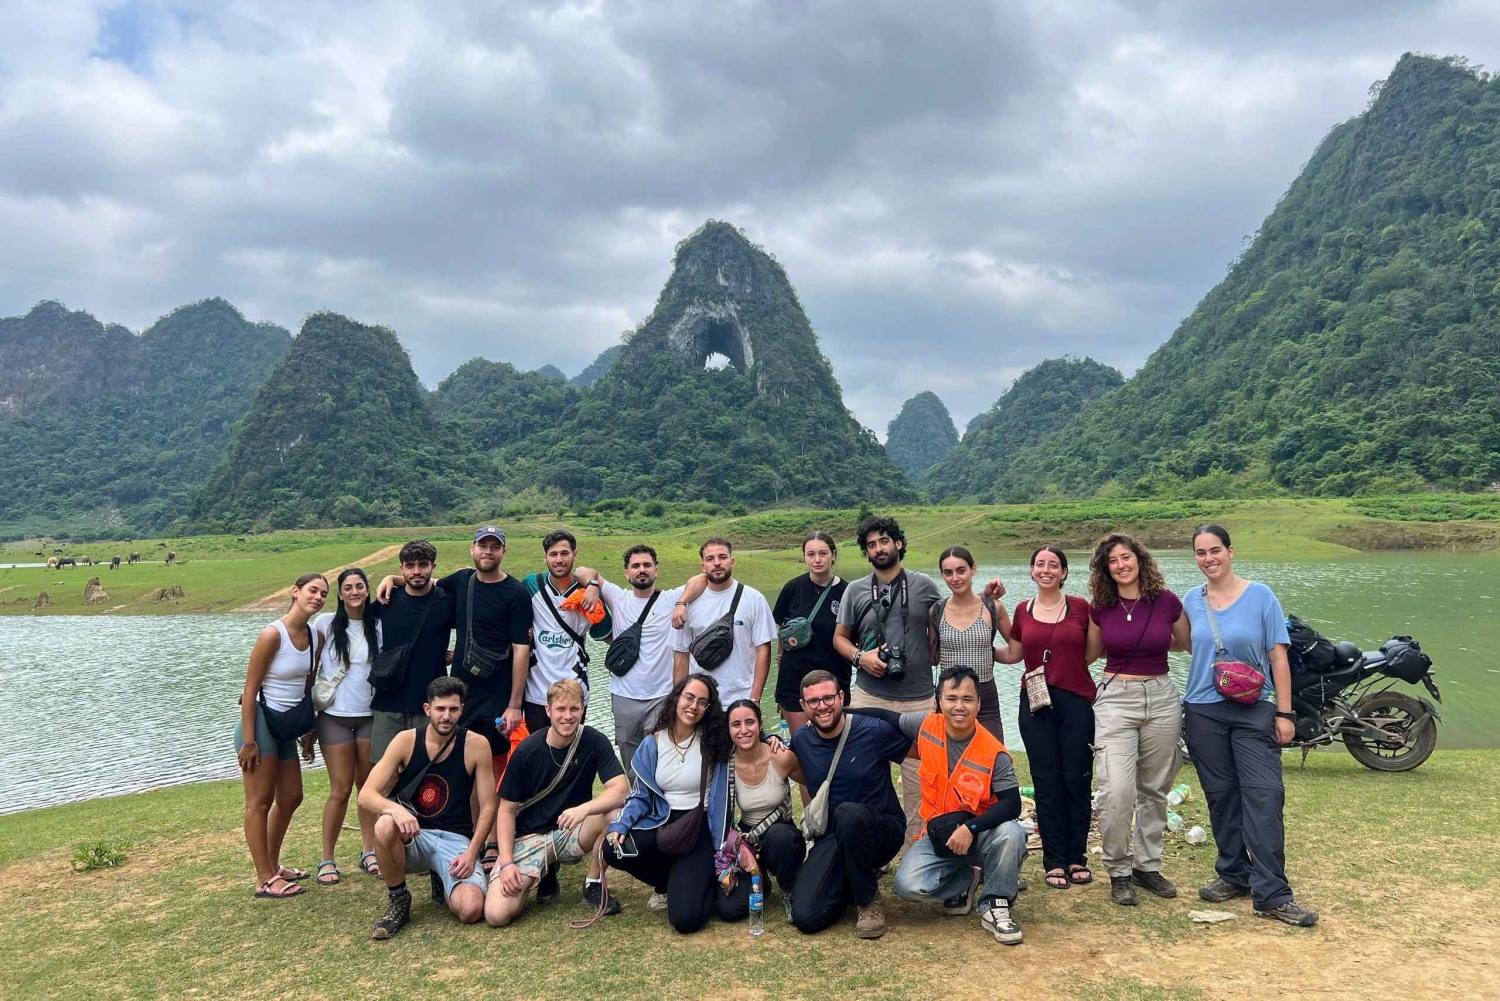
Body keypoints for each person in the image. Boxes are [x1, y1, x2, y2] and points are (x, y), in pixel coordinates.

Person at [1182, 525, 1317, 927]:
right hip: (1203, 710)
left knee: (1265, 795)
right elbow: (1184, 644)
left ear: (1231, 551)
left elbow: (1278, 657)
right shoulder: (1191, 600)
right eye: (1201, 553)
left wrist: (1285, 714)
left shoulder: (1261, 596)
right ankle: (1234, 873)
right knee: (1221, 796)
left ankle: (1272, 893)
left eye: (1215, 550)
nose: (1209, 559)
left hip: (1254, 708)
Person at [867, 666, 1028, 945]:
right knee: (906, 886)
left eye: (967, 699)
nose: (959, 707)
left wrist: (971, 828)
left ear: (979, 703)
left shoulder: (994, 753)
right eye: (951, 698)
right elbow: (887, 717)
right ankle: (966, 880)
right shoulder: (926, 724)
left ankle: (995, 903)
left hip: (980, 834)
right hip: (938, 836)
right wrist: (840, 713)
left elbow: (1012, 804)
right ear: (939, 701)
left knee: (1012, 833)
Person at [1086, 533, 1190, 906]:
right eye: (1112, 560)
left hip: (1162, 697)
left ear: (1139, 559)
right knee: (1116, 790)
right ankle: (1119, 870)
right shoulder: (1100, 607)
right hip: (1116, 698)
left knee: (1155, 788)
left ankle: (1147, 866)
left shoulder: (1167, 601)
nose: (1121, 565)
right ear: (1105, 569)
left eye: (1126, 557)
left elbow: (1188, 643)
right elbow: (1090, 654)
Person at [831, 515, 944, 840]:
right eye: (871, 545)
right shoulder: (855, 590)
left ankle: (914, 853)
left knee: (920, 783)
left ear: (898, 543)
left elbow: (947, 624)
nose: (878, 548)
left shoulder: (924, 585)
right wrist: (861, 658)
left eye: (884, 541)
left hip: (918, 698)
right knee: (864, 776)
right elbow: (839, 639)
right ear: (866, 552)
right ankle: (872, 851)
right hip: (869, 697)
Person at [359, 677, 497, 939]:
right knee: (385, 823)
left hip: (455, 839)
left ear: (462, 710)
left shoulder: (477, 744)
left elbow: (489, 806)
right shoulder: (405, 741)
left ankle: (444, 879)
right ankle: (399, 899)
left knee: (471, 909)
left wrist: (471, 853)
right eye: (440, 709)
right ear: (427, 709)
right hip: (413, 836)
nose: (446, 716)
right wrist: (396, 810)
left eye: (453, 709)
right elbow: (366, 795)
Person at [992, 546, 1096, 892]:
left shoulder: (1081, 607)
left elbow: (1092, 652)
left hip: (1076, 701)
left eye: (1054, 565)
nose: (1046, 570)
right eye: (1040, 564)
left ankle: (1076, 857)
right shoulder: (1023, 609)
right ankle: (1054, 860)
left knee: (1077, 780)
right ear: (1032, 571)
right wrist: (976, 647)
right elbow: (1014, 653)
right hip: (1035, 703)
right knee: (1047, 781)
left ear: (1064, 572)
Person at [486, 679, 630, 927]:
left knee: (614, 813)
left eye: (574, 709)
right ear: (548, 710)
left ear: (583, 709)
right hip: (529, 837)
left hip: (570, 831)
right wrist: (507, 862)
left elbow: (621, 790)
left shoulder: (594, 740)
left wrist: (584, 809)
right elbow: (506, 811)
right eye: (561, 709)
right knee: (496, 915)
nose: (568, 716)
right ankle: (542, 872)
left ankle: (593, 884)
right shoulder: (527, 750)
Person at [604, 674, 732, 934]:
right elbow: (640, 795)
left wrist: (770, 739)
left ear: (708, 708)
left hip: (698, 828)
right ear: (676, 698)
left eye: (702, 702)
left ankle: (702, 882)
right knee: (614, 849)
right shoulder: (653, 743)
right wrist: (621, 824)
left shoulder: (713, 741)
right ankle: (667, 883)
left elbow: (747, 733)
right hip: (662, 821)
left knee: (685, 921)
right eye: (689, 698)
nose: (694, 706)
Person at [787, 671, 910, 939]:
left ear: (841, 697)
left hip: (881, 830)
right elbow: (787, 768)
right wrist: (767, 740)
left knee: (847, 814)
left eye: (828, 698)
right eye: (813, 701)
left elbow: (923, 750)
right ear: (803, 705)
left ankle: (867, 901)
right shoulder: (802, 740)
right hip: (834, 835)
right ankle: (855, 879)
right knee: (806, 916)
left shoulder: (874, 730)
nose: (822, 706)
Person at [237, 572, 327, 898]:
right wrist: (249, 742)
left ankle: (273, 865)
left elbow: (307, 687)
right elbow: (249, 691)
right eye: (312, 590)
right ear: (295, 592)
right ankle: (264, 878)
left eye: (323, 594)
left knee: (291, 796)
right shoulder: (272, 635)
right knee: (259, 802)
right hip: (261, 723)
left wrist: (309, 731)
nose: (317, 597)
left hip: (287, 725)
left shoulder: (316, 637)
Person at [573, 545, 684, 781]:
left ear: (656, 570)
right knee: (630, 759)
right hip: (624, 696)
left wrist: (682, 603)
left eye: (647, 565)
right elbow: (582, 570)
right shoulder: (618, 597)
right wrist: (593, 585)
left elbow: (701, 580)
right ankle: (637, 799)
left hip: (661, 696)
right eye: (635, 566)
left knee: (660, 759)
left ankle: (659, 802)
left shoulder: (670, 598)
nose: (641, 570)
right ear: (627, 573)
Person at [307, 568, 383, 884]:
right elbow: (309, 669)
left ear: (367, 590)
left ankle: (369, 851)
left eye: (359, 586)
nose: (354, 592)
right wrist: (307, 723)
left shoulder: (378, 625)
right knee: (339, 790)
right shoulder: (324, 624)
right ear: (339, 594)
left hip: (369, 715)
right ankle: (327, 858)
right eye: (348, 587)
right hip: (334, 717)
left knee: (367, 788)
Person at [369, 541, 456, 762]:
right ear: (401, 568)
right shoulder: (387, 599)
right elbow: (353, 625)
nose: (416, 571)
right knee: (385, 770)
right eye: (410, 565)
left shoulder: (446, 600)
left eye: (423, 565)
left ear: (433, 566)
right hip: (389, 702)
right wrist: (390, 579)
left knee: (429, 770)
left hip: (431, 703)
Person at [720, 699, 805, 921]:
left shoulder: (780, 756)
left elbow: (814, 781)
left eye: (750, 722)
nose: (744, 730)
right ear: (728, 730)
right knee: (730, 911)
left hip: (783, 837)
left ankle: (789, 889)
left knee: (779, 836)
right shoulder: (726, 765)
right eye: (736, 724)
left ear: (760, 724)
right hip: (748, 840)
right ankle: (761, 880)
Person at [520, 530, 613, 734]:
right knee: (538, 747)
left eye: (564, 553)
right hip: (537, 690)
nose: (559, 560)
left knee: (572, 747)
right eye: (553, 554)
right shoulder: (531, 584)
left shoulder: (588, 593)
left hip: (575, 689)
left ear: (574, 554)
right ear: (545, 557)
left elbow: (607, 635)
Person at [671, 538, 774, 705]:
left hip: (741, 699)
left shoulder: (754, 599)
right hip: (701, 701)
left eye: (723, 557)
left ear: (732, 562)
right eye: (710, 559)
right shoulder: (688, 603)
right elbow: (681, 653)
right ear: (702, 566)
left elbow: (764, 651)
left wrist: (755, 699)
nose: (717, 563)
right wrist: (679, 701)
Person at [771, 532, 849, 738]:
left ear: (833, 555)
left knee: (836, 745)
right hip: (793, 682)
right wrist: (779, 687)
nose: (817, 559)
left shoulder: (848, 592)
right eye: (811, 554)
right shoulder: (792, 589)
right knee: (803, 745)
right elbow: (782, 636)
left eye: (823, 553)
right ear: (804, 557)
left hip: (834, 683)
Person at [931, 546, 1006, 740]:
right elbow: (933, 657)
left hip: (985, 695)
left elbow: (1015, 651)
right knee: (949, 755)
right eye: (948, 573)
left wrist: (987, 651)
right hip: (949, 698)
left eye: (961, 570)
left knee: (993, 753)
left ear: (973, 569)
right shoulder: (936, 611)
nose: (955, 578)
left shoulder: (993, 608)